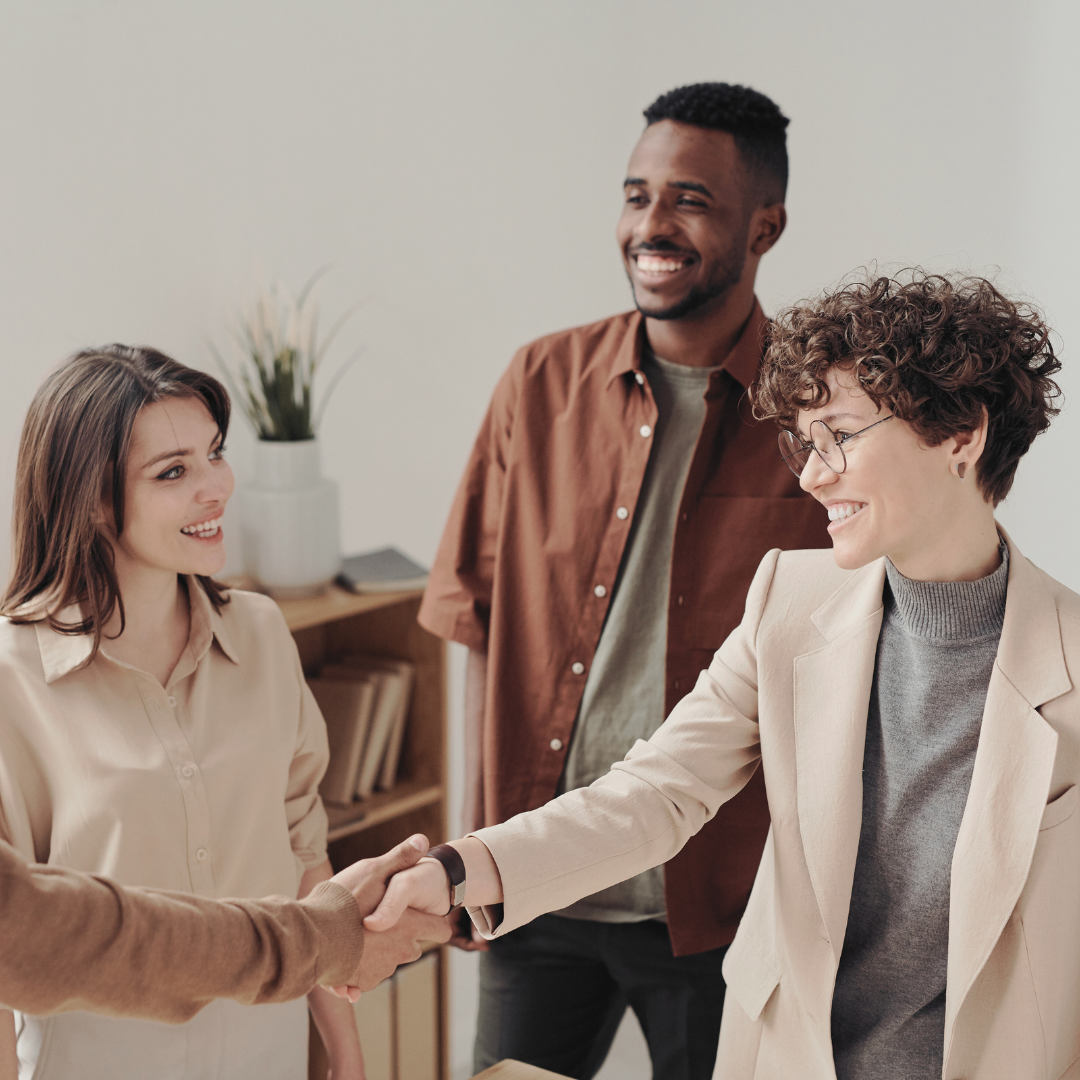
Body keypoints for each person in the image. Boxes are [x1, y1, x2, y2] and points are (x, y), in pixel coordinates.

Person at [368, 271, 1078, 1080]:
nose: (813, 476)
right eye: (805, 444)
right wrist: (457, 872)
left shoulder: (1070, 662)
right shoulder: (788, 600)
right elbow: (654, 792)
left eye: (840, 435)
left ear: (962, 436)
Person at [418, 81, 829, 1080]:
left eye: (689, 199)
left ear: (763, 226)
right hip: (537, 888)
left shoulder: (818, 412)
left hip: (721, 909)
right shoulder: (537, 385)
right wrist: (472, 852)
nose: (651, 225)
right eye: (637, 194)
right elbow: (471, 624)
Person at [0, 346, 355, 1078]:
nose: (216, 488)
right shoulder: (13, 680)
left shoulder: (259, 634)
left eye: (214, 454)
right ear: (93, 501)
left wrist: (346, 1059)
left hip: (270, 1061)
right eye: (173, 472)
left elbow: (306, 862)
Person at [0, 834, 449, 1021]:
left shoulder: (263, 642)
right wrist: (323, 936)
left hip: (268, 1041)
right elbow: (35, 935)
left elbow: (306, 844)